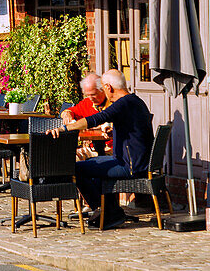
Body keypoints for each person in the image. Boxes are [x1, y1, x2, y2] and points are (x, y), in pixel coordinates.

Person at [50, 69, 153, 230]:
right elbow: (135, 129)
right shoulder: (135, 101)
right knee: (93, 163)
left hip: (129, 166)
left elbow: (96, 119)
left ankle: (104, 210)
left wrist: (65, 129)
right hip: (134, 161)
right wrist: (115, 131)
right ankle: (110, 210)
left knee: (75, 168)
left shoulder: (122, 103)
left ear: (108, 87)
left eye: (103, 88)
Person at [62, 73, 112, 159]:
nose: (91, 98)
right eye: (87, 95)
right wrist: (67, 113)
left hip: (111, 149)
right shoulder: (87, 102)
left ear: (103, 90)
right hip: (91, 148)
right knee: (66, 159)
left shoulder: (114, 104)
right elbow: (69, 111)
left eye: (93, 94)